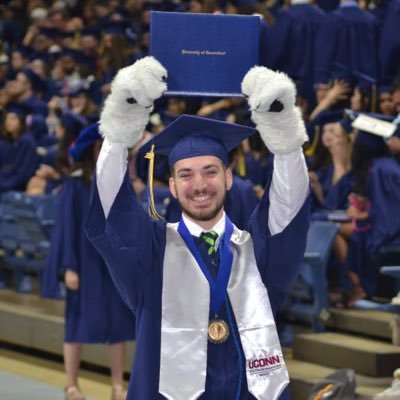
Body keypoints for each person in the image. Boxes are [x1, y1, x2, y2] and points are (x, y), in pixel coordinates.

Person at [85, 57, 310, 399]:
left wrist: (283, 135)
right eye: (186, 175)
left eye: (210, 171)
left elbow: (288, 210)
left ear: (228, 178)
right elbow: (110, 208)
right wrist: (121, 127)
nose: (199, 184)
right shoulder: (151, 253)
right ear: (172, 186)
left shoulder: (253, 251)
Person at [42, 123, 135, 400]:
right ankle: (71, 385)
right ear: (95, 149)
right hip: (84, 262)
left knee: (117, 324)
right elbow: (67, 225)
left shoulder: (117, 181)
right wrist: (70, 265)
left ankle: (118, 386)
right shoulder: (75, 183)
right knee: (76, 324)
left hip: (113, 263)